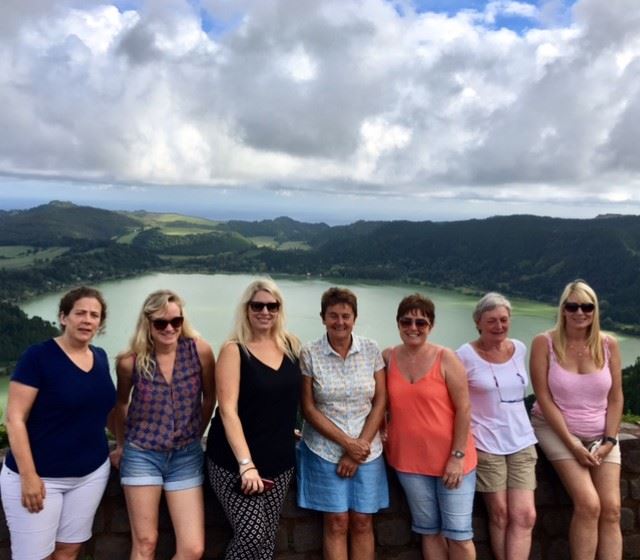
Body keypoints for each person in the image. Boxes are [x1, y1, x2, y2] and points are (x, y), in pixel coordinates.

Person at [0, 286, 116, 560]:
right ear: (64, 317)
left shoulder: (99, 357)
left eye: (94, 315)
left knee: (68, 550)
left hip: (90, 475)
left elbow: (106, 410)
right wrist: (28, 476)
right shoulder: (38, 357)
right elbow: (14, 418)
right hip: (41, 479)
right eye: (80, 313)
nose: (87, 320)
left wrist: (121, 443)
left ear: (100, 323)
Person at [112, 290, 215, 560]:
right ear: (147, 323)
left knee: (193, 549)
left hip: (185, 455)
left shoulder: (200, 351)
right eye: (161, 323)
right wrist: (122, 444)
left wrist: (195, 432)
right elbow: (121, 404)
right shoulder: (129, 361)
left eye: (176, 321)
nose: (169, 328)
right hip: (142, 453)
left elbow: (210, 397)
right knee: (145, 543)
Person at [205, 278, 301, 560]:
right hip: (234, 462)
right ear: (246, 308)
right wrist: (246, 465)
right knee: (252, 535)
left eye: (272, 305)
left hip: (279, 460)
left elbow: (289, 399)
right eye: (257, 305)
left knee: (267, 540)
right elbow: (228, 411)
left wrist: (289, 428)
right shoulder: (235, 350)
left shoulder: (291, 346)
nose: (265, 311)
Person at [530, 279, 623, 559]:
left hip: (601, 434)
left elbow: (616, 397)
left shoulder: (608, 345)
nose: (579, 312)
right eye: (572, 306)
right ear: (563, 309)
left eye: (587, 306)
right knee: (589, 503)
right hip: (555, 429)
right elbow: (544, 398)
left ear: (595, 310)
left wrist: (609, 440)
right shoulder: (544, 343)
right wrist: (572, 444)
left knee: (612, 509)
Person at [384, 293, 477, 560]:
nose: (413, 328)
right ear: (398, 324)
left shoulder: (445, 357)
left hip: (452, 462)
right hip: (409, 463)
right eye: (406, 322)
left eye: (421, 323)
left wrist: (457, 457)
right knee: (429, 531)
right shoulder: (388, 357)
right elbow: (376, 401)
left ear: (431, 326)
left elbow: (464, 409)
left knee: (459, 534)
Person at [298, 287, 388, 560]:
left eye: (346, 316)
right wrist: (348, 444)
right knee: (336, 521)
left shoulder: (371, 349)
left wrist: (358, 447)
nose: (340, 322)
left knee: (362, 520)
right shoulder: (309, 353)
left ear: (355, 318)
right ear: (323, 317)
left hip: (368, 451)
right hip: (324, 449)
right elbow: (309, 408)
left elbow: (381, 401)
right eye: (333, 315)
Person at [456, 293, 537, 560]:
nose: (499, 326)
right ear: (478, 322)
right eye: (491, 321)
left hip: (522, 439)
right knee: (500, 514)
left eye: (504, 319)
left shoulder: (520, 349)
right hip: (486, 441)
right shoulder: (464, 356)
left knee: (525, 515)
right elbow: (455, 401)